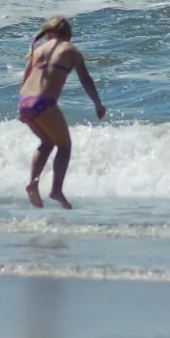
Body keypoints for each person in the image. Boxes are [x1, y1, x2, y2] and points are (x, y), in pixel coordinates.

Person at [17, 15, 105, 209]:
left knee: (47, 142)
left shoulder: (37, 50)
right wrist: (98, 103)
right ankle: (56, 190)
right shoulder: (71, 50)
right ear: (68, 34)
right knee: (64, 146)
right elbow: (86, 80)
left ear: (48, 33)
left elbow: (24, 81)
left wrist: (24, 109)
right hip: (44, 102)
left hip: (24, 102)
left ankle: (33, 184)